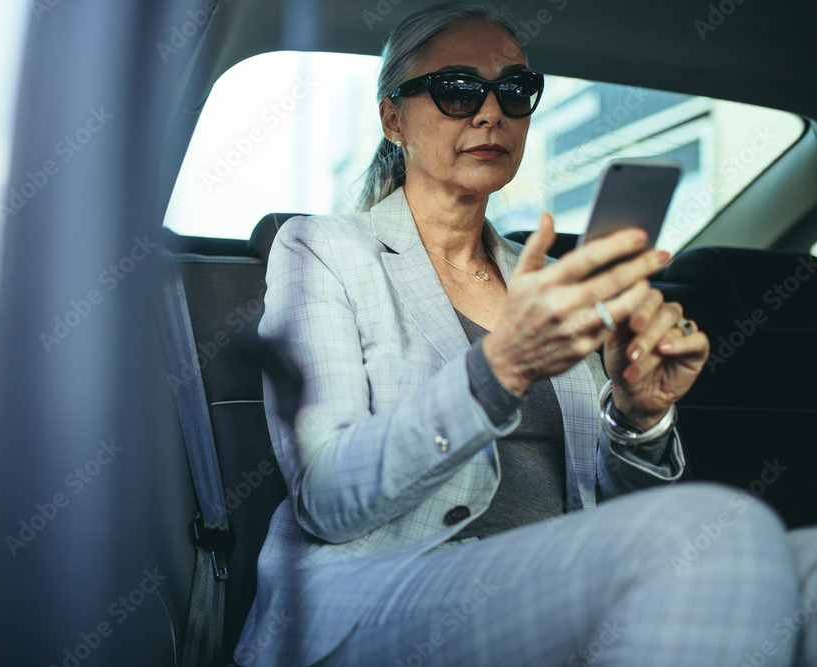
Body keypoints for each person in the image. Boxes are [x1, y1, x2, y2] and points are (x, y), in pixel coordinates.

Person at [234, 3, 817, 666]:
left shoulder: (546, 277)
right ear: (392, 117)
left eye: (515, 91)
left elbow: (620, 511)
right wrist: (497, 370)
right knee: (726, 531)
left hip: (557, 575)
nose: (491, 113)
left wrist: (639, 417)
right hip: (383, 589)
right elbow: (327, 496)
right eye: (456, 89)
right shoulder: (323, 249)